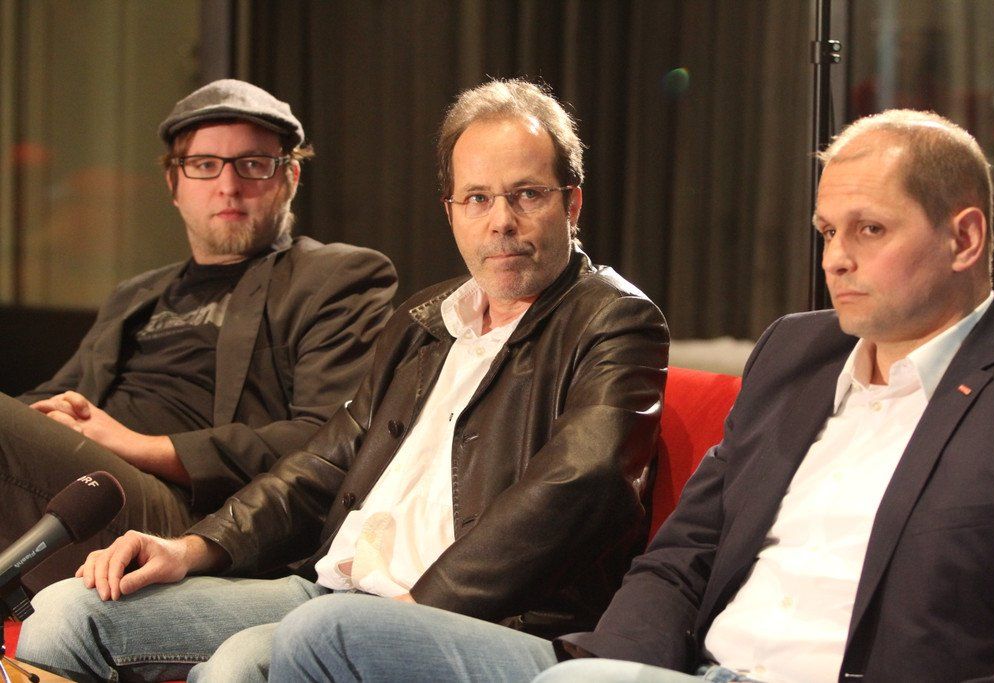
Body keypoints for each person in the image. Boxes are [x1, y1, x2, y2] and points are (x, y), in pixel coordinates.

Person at [252, 109, 994, 683]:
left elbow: (577, 483)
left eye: (870, 231)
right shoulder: (797, 353)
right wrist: (613, 668)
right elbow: (682, 555)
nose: (836, 260)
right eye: (826, 231)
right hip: (678, 670)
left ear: (963, 239)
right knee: (326, 636)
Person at [15, 78, 669, 682]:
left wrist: (412, 611)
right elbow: (321, 464)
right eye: (477, 198)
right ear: (450, 212)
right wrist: (192, 546)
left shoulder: (613, 320)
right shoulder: (425, 321)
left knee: (239, 665)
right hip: (329, 589)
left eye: (527, 195)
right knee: (67, 612)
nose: (501, 220)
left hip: (472, 617)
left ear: (571, 202)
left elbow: (578, 487)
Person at [0, 79, 397, 592]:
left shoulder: (336, 276)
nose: (228, 186)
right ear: (174, 183)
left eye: (253, 164)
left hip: (184, 521)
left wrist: (137, 446)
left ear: (290, 176)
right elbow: (49, 399)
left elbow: (327, 440)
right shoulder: (136, 295)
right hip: (77, 491)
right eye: (205, 165)